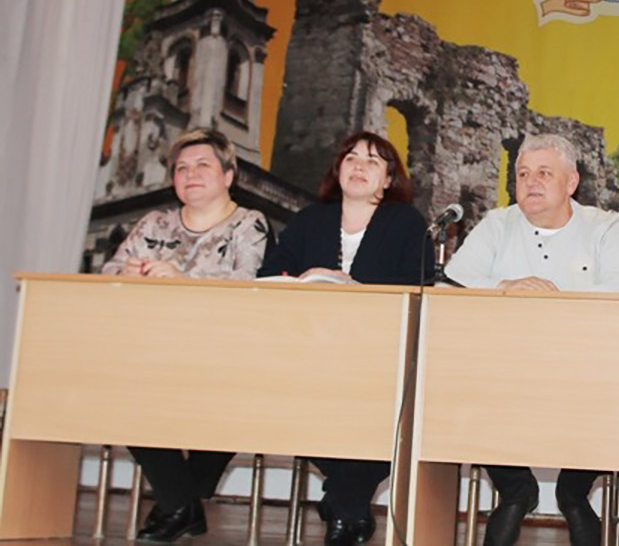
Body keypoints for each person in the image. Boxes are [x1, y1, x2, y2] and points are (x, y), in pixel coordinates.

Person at [444, 133, 619, 546]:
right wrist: (505, 287)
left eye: (543, 173)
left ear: (571, 182)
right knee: (460, 389)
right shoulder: (498, 224)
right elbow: (454, 284)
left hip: (585, 371)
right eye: (522, 174)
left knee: (614, 394)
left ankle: (573, 492)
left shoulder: (607, 226)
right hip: (504, 371)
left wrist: (550, 295)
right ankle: (517, 490)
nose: (530, 182)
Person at [258, 131, 432, 546]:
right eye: (351, 158)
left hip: (379, 351)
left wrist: (356, 286)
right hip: (310, 347)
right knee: (288, 400)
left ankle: (344, 502)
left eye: (373, 161)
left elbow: (420, 284)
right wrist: (304, 279)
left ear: (388, 179)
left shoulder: (407, 222)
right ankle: (348, 503)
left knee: (390, 414)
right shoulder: (309, 219)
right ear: (337, 170)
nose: (359, 166)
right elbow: (269, 275)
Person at [101, 129, 270, 542]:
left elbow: (248, 284)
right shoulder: (154, 223)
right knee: (121, 394)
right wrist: (125, 274)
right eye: (181, 168)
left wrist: (183, 279)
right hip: (152, 346)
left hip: (223, 350)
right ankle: (182, 504)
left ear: (228, 175)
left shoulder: (248, 224)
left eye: (202, 165)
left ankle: (178, 505)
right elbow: (109, 271)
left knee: (233, 407)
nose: (190, 174)